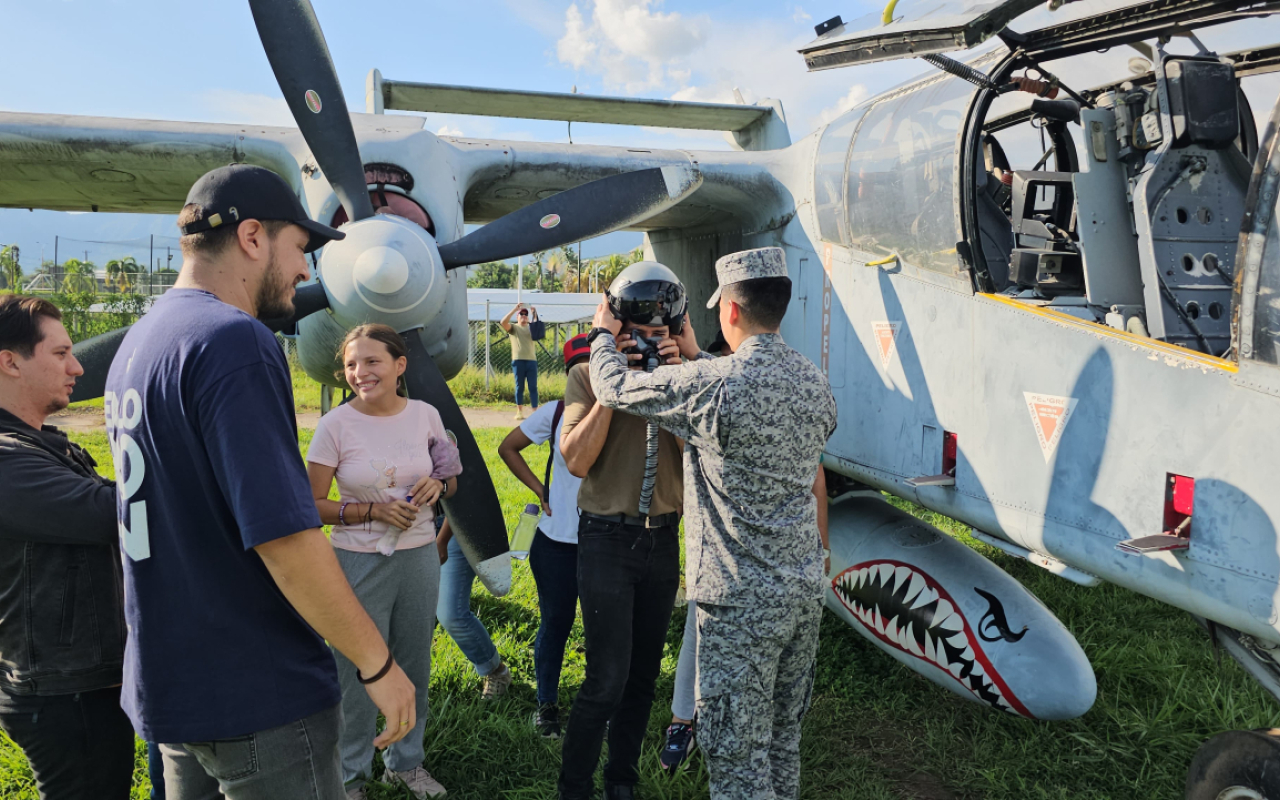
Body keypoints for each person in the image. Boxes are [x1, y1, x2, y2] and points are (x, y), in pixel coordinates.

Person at [104, 164, 417, 799]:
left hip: (169, 681)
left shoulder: (140, 342)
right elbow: (286, 538)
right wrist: (377, 663)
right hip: (254, 690)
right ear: (252, 237)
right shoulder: (234, 341)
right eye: (301, 249)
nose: (307, 273)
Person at [587, 247, 837, 800]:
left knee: (736, 758)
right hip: (800, 589)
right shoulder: (814, 382)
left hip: (738, 601)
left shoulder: (713, 386)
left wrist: (603, 334)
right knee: (779, 740)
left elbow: (612, 388)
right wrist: (697, 354)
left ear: (728, 309)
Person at [306, 324, 461, 800]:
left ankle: (405, 763)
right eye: (352, 364)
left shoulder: (427, 416)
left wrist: (439, 486)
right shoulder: (335, 425)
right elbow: (310, 504)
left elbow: (451, 479)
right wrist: (369, 510)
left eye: (372, 361)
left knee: (414, 662)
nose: (360, 373)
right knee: (356, 668)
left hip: (417, 557)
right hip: (356, 562)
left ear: (399, 365)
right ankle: (351, 776)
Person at [558, 262, 687, 800]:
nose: (648, 346)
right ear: (617, 330)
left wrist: (681, 381)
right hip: (608, 538)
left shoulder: (689, 382)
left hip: (663, 539)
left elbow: (709, 456)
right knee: (605, 679)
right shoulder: (588, 375)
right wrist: (615, 384)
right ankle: (575, 787)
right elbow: (574, 459)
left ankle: (621, 780)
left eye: (659, 336)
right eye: (637, 335)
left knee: (641, 677)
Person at [0, 296, 134, 800]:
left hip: (78, 681)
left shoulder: (43, 444)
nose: (78, 367)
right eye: (60, 354)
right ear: (9, 361)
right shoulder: (7, 461)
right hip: (62, 691)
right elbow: (115, 515)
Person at [496, 332, 590, 739]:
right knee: (556, 622)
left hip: (605, 543)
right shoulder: (554, 413)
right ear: (569, 374)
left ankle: (599, 705)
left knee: (606, 630)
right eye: (580, 369)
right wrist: (540, 489)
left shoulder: (617, 413)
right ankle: (547, 704)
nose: (589, 376)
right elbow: (508, 447)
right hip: (554, 542)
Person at [657, 328, 733, 774]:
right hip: (712, 549)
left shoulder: (755, 395)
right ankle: (682, 722)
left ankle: (725, 727)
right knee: (696, 632)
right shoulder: (701, 397)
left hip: (753, 557)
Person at [501, 303, 539, 420]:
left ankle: (535, 412)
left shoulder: (531, 327)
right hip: (518, 361)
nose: (523, 316)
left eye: (525, 314)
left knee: (533, 387)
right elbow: (503, 322)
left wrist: (534, 313)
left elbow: (537, 328)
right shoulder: (514, 328)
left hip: (531, 361)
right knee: (519, 387)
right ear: (517, 317)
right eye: (521, 314)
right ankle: (519, 411)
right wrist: (514, 309)